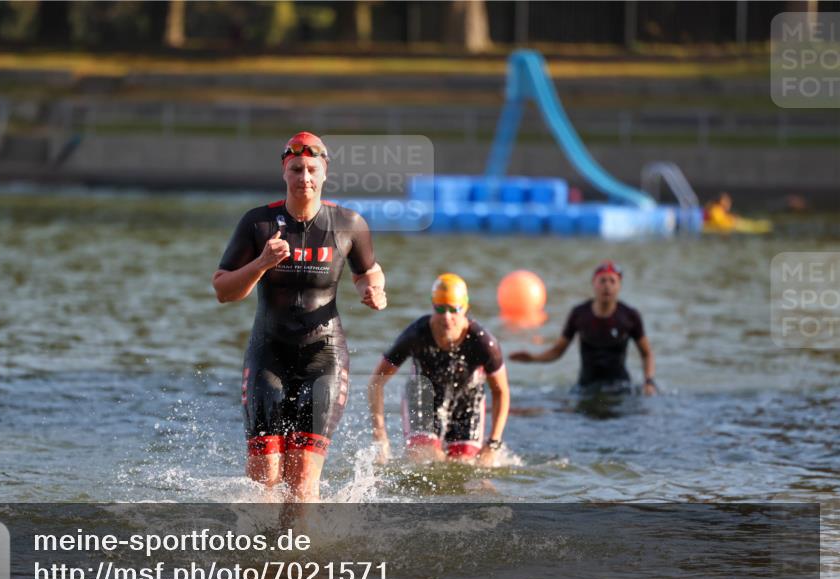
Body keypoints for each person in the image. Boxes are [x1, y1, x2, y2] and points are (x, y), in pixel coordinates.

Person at [212, 132, 387, 502]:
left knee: (303, 481)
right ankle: (261, 556)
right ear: (284, 172)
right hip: (268, 354)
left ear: (325, 172)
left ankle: (298, 554)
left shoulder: (348, 223)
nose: (304, 177)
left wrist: (373, 290)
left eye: (311, 169)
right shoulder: (258, 224)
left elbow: (368, 270)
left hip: (323, 357)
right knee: (265, 480)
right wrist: (261, 263)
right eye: (296, 169)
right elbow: (224, 290)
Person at [369, 274, 509, 467]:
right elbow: (377, 381)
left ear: (466, 307)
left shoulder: (484, 343)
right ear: (432, 305)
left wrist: (493, 443)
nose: (447, 317)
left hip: (467, 402)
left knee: (466, 467)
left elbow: (501, 391)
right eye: (440, 309)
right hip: (422, 399)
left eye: (454, 309)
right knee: (425, 459)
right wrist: (380, 434)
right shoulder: (416, 335)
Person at [509, 261, 656, 396]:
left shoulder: (629, 316)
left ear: (619, 286)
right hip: (586, 386)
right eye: (602, 280)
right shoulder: (580, 314)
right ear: (594, 284)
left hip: (620, 387)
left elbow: (646, 353)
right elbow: (558, 351)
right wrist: (533, 358)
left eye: (612, 281)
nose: (607, 286)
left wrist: (648, 381)